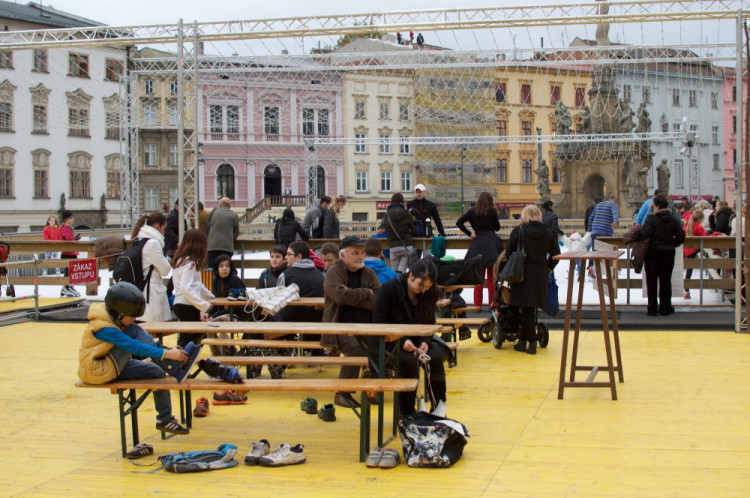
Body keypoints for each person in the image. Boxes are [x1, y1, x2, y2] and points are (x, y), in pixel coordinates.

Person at [78, 282, 199, 436]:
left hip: (111, 364)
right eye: (132, 316)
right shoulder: (103, 328)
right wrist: (165, 354)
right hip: (98, 369)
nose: (134, 319)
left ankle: (165, 419)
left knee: (157, 372)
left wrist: (162, 354)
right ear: (119, 314)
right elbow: (133, 347)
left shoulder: (112, 318)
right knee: (133, 331)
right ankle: (170, 363)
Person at [373, 258, 447, 417]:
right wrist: (401, 341)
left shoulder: (430, 293)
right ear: (411, 276)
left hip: (417, 340)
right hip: (389, 343)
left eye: (428, 286)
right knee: (408, 361)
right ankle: (407, 412)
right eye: (421, 285)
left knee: (435, 357)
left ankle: (439, 408)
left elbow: (429, 323)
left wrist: (425, 341)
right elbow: (379, 323)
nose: (424, 290)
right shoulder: (389, 290)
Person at [322, 236, 381, 408]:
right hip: (338, 327)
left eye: (362, 253)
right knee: (355, 348)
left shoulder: (369, 273)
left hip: (366, 327)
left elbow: (379, 300)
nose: (361, 256)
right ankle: (343, 392)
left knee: (383, 345)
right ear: (342, 255)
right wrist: (366, 293)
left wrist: (352, 295)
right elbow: (339, 296)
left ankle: (373, 389)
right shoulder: (333, 272)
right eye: (355, 253)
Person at [504, 205, 560, 354]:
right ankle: (522, 342)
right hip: (540, 274)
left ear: (524, 215)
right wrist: (547, 267)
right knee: (530, 309)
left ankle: (532, 342)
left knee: (526, 310)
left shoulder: (519, 231)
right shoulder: (547, 232)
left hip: (522, 274)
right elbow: (556, 254)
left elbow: (509, 252)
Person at [278, 241, 325, 361]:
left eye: (289, 254)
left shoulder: (285, 275)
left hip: (291, 319)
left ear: (299, 256)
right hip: (317, 320)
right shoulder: (320, 275)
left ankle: (282, 352)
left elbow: (278, 300)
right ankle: (317, 352)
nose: (285, 257)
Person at [641, 193, 685, 316]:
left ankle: (652, 308)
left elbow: (645, 233)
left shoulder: (651, 218)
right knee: (665, 281)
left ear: (656, 206)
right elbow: (681, 236)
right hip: (668, 252)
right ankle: (665, 308)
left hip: (652, 253)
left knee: (651, 281)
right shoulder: (673, 219)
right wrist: (672, 244)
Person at [456, 192, 502, 310]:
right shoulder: (492, 211)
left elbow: (459, 222)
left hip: (477, 244)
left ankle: (477, 305)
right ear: (490, 201)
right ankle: (493, 304)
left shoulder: (472, 211)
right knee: (492, 278)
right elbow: (497, 228)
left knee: (478, 277)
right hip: (491, 244)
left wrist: (469, 234)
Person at [172, 229, 214, 347]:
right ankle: (182, 357)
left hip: (182, 305)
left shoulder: (181, 261)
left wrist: (211, 297)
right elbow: (185, 288)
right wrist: (203, 305)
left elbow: (197, 284)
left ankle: (181, 356)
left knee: (188, 339)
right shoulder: (190, 263)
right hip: (187, 306)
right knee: (196, 339)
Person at [131, 212, 173, 322]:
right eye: (163, 228)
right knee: (155, 327)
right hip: (151, 293)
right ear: (157, 225)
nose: (164, 232)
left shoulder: (138, 239)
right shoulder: (152, 243)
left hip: (140, 289)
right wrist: (166, 261)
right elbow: (165, 270)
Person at [587, 195, 619, 279]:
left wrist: (590, 229)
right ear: (615, 201)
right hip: (606, 231)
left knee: (595, 251)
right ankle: (608, 270)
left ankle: (591, 268)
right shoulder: (614, 205)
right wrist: (616, 222)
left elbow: (591, 218)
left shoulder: (599, 205)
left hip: (595, 230)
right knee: (607, 251)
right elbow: (615, 215)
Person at [383, 193, 414, 274]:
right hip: (406, 246)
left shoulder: (387, 214)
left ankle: (397, 280)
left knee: (395, 273)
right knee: (401, 272)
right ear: (402, 201)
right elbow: (412, 228)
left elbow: (385, 228)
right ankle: (400, 280)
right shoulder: (407, 213)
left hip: (393, 247)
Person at [209, 254, 247, 319]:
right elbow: (216, 303)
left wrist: (214, 316)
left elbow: (237, 307)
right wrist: (208, 314)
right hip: (222, 313)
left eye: (227, 266)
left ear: (231, 268)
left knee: (213, 322)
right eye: (221, 266)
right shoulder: (215, 281)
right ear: (217, 268)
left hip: (237, 315)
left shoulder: (235, 280)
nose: (224, 268)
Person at [206, 197, 239, 269]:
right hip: (227, 247)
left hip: (212, 247)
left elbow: (207, 229)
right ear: (230, 206)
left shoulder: (212, 213)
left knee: (212, 269)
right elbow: (236, 232)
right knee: (225, 269)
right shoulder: (234, 215)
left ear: (219, 205)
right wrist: (229, 240)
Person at [59, 210, 80, 297]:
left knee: (72, 271)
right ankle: (65, 287)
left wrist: (75, 238)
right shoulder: (64, 228)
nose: (73, 219)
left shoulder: (68, 228)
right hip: (67, 253)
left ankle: (70, 286)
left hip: (71, 252)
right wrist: (75, 239)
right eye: (71, 217)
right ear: (67, 219)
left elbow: (70, 238)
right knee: (68, 272)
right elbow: (68, 239)